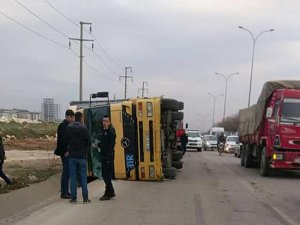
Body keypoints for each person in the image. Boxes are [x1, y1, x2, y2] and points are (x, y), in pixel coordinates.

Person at [65, 111, 90, 204]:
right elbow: (88, 141)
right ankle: (85, 198)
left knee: (73, 177)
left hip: (72, 156)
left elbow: (66, 140)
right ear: (81, 118)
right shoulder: (84, 128)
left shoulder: (69, 127)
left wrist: (68, 150)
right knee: (83, 177)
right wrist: (85, 150)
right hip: (82, 156)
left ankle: (74, 198)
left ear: (75, 118)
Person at [55, 109, 75, 199]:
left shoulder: (70, 125)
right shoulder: (63, 126)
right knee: (66, 172)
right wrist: (65, 151)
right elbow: (62, 141)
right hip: (65, 153)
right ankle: (64, 192)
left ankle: (66, 191)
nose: (72, 119)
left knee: (68, 172)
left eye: (73, 117)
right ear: (66, 117)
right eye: (71, 117)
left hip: (69, 152)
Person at [99, 115, 116, 201]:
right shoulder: (103, 131)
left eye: (106, 121)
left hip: (108, 157)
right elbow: (103, 143)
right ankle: (111, 191)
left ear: (109, 122)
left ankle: (108, 193)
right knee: (105, 175)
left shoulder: (111, 131)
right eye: (103, 121)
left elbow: (111, 144)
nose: (104, 122)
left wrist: (108, 155)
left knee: (106, 176)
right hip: (103, 156)